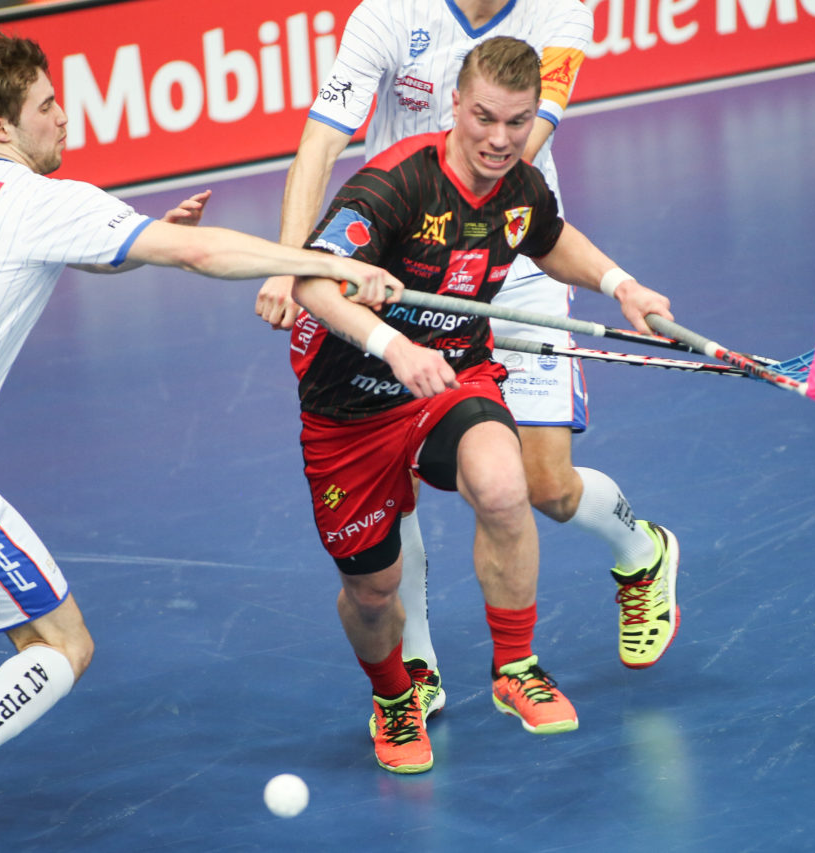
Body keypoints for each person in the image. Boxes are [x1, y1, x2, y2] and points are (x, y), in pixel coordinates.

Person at [0, 31, 398, 851]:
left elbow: (66, 251)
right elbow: (201, 252)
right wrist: (326, 265)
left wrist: (137, 241)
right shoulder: (40, 201)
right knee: (63, 644)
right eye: (46, 105)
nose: (64, 116)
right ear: (1, 127)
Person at [256, 0, 680, 721]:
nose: (498, 129)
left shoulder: (561, 18)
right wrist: (293, 261)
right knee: (394, 483)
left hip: (510, 254)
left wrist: (619, 283)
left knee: (538, 485)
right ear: (458, 103)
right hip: (395, 260)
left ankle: (642, 550)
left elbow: (515, 148)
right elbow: (322, 139)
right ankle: (416, 667)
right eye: (481, 114)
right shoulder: (387, 15)